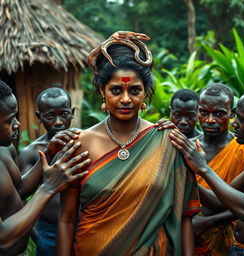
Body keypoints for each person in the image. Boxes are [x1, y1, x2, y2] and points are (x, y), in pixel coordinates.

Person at [57, 31, 200, 256]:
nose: (125, 99)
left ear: (145, 93)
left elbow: (184, 217)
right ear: (102, 92)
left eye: (134, 90)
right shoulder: (80, 144)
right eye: (116, 90)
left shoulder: (166, 141)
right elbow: (66, 219)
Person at [0, 80, 90, 255]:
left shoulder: (5, 149)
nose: (17, 124)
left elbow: (18, 189)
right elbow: (2, 239)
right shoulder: (29, 151)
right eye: (9, 120)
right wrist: (48, 187)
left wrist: (48, 155)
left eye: (16, 116)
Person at [170, 84, 244, 255]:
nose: (235, 123)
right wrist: (184, 176)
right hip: (238, 248)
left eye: (242, 119)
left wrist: (202, 168)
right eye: (204, 112)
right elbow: (219, 201)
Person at [19, 87, 75, 256]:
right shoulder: (31, 153)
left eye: (64, 114)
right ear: (39, 117)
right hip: (48, 232)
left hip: (83, 228)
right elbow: (19, 195)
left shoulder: (85, 143)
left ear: (72, 113)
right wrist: (37, 236)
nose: (58, 122)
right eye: (50, 116)